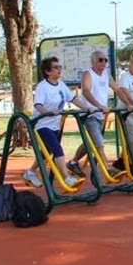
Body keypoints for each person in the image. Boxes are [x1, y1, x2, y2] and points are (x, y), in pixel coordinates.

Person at [22, 57, 91, 188]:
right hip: (42, 124)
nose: (59, 70)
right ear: (48, 71)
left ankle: (30, 172)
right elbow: (38, 104)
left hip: (55, 124)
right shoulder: (42, 86)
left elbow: (73, 98)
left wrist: (85, 108)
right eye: (56, 67)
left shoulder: (60, 84)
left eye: (60, 67)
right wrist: (47, 111)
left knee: (47, 152)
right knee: (57, 149)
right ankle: (66, 177)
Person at [66, 50, 133, 178]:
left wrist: (128, 103)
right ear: (93, 61)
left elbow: (118, 90)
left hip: (100, 114)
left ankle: (73, 162)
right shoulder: (88, 73)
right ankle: (108, 169)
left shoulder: (106, 75)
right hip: (90, 114)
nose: (103, 62)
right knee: (99, 143)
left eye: (105, 60)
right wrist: (99, 106)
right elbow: (86, 91)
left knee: (91, 142)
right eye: (100, 60)